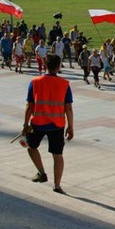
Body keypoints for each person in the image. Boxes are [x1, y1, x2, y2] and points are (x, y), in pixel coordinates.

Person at [22, 55, 74, 194]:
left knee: (31, 146)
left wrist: (25, 124)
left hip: (38, 122)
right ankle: (57, 186)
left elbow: (29, 105)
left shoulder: (35, 82)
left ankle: (41, 173)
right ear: (58, 66)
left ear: (45, 65)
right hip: (57, 124)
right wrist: (71, 126)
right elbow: (68, 107)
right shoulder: (64, 84)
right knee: (57, 155)